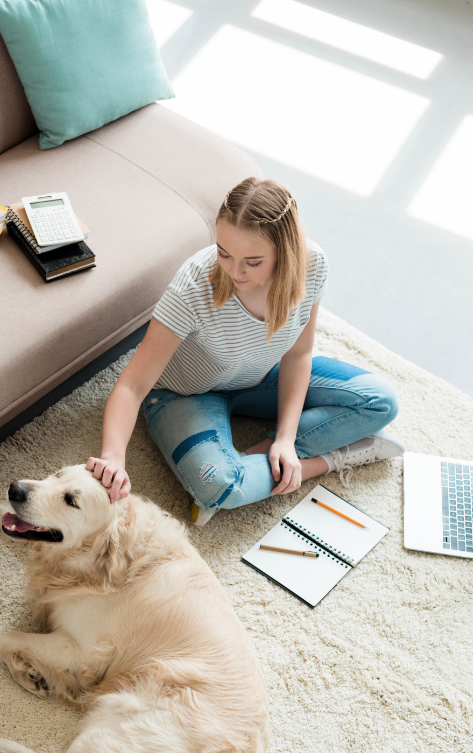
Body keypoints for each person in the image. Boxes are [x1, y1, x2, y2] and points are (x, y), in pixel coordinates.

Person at [86, 177, 404, 526]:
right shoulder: (193, 285)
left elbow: (298, 355)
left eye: (252, 262)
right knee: (214, 486)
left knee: (381, 401)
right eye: (223, 252)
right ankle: (330, 459)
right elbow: (131, 387)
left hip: (261, 376)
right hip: (184, 394)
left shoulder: (313, 266)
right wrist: (113, 458)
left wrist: (285, 439)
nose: (235, 271)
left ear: (285, 250)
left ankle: (259, 460)